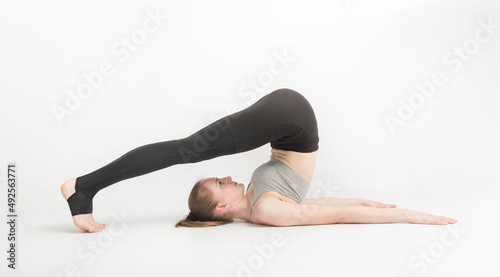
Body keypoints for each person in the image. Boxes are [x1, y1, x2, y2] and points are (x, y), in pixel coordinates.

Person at [61, 88, 456, 232]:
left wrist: (375, 205)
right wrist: (405, 214)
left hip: (286, 117)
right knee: (185, 150)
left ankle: (84, 188)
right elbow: (325, 212)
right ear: (221, 206)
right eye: (220, 183)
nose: (228, 177)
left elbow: (318, 208)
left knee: (186, 149)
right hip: (289, 119)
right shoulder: (265, 209)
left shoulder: (256, 202)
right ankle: (83, 187)